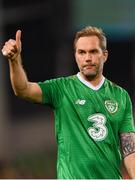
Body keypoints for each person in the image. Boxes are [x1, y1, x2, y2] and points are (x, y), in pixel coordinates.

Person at [1, 26, 135, 179]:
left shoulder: (120, 96)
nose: (87, 58)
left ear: (104, 55)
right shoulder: (61, 88)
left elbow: (129, 149)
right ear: (75, 55)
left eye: (93, 51)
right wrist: (14, 60)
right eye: (81, 52)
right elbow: (23, 89)